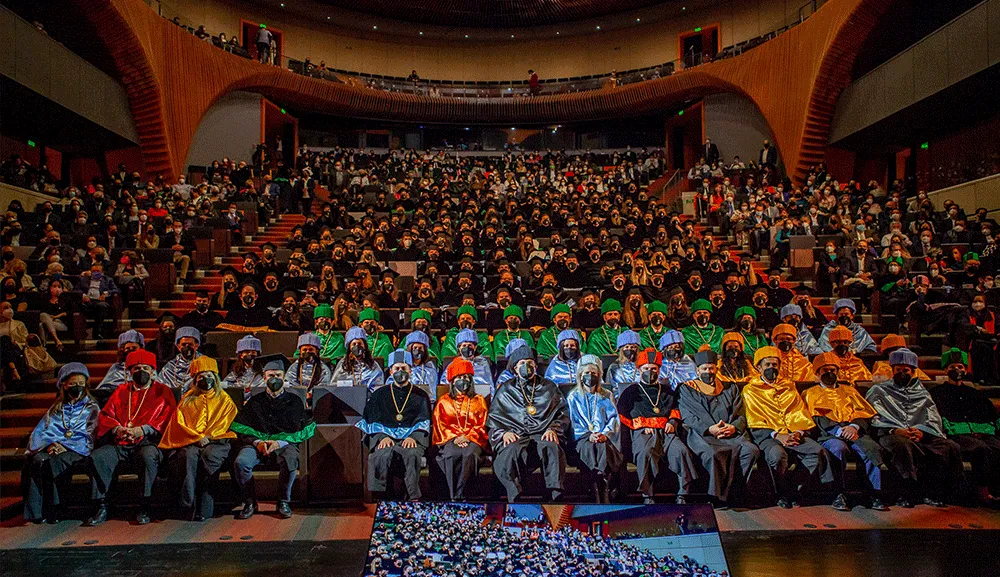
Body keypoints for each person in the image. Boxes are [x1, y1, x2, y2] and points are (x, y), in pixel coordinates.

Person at [86, 350, 176, 526]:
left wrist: (144, 429)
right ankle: (102, 505)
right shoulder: (121, 390)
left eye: (144, 368)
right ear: (129, 371)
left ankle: (145, 505)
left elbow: (168, 418)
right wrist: (116, 429)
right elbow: (106, 415)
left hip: (148, 441)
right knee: (99, 457)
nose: (140, 372)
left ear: (152, 371)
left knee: (148, 457)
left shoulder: (162, 391)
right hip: (120, 441)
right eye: (135, 368)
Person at [866, 348, 963, 508]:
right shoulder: (879, 390)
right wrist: (895, 429)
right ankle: (906, 492)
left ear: (913, 371)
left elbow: (932, 417)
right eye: (898, 370)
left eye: (906, 370)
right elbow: (873, 417)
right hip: (891, 432)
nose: (902, 373)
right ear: (892, 370)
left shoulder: (922, 393)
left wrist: (922, 432)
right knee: (903, 445)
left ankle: (935, 492)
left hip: (920, 434)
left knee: (948, 446)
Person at [743, 346, 834, 508]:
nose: (772, 368)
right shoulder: (750, 390)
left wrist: (798, 433)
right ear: (759, 367)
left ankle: (791, 488)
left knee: (817, 451)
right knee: (778, 455)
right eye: (768, 365)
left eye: (775, 365)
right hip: (767, 436)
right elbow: (754, 419)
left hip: (793, 433)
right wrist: (778, 436)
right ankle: (779, 492)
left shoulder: (789, 386)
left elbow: (800, 411)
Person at [231, 354, 315, 519]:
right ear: (264, 377)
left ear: (284, 377)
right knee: (241, 462)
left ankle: (283, 501)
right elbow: (241, 427)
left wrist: (281, 442)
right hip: (256, 445)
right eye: (271, 375)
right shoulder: (254, 402)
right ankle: (249, 502)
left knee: (290, 459)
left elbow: (304, 428)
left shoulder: (294, 401)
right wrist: (257, 442)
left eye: (278, 375)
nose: (274, 379)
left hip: (284, 444)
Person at [803, 353, 886, 511]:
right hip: (828, 433)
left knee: (870, 448)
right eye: (825, 370)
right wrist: (838, 430)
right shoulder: (810, 393)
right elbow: (813, 418)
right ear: (817, 372)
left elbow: (864, 413)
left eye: (833, 369)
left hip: (854, 431)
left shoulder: (849, 390)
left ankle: (872, 493)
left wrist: (854, 427)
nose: (830, 373)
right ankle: (837, 493)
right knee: (838, 448)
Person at [677, 351, 761, 507]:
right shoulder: (687, 389)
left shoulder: (729, 388)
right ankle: (715, 497)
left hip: (730, 434)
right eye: (704, 369)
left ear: (716, 369)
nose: (708, 372)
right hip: (702, 434)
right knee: (713, 453)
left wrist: (733, 427)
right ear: (697, 371)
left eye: (711, 368)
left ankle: (737, 492)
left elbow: (740, 412)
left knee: (751, 451)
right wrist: (710, 429)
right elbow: (688, 416)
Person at [487, 345, 569, 502]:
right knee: (511, 450)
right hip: (516, 434)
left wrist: (553, 429)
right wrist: (504, 433)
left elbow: (562, 414)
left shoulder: (549, 387)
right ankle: (514, 495)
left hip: (542, 432)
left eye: (530, 363)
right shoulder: (506, 389)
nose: (527, 366)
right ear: (515, 368)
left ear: (536, 366)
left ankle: (555, 495)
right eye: (522, 363)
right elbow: (494, 420)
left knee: (550, 445)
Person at [159, 356, 237, 521]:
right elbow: (179, 423)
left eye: (208, 375)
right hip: (191, 441)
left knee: (209, 456)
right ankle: (188, 504)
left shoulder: (224, 399)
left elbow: (226, 422)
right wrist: (196, 437)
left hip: (216, 441)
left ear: (215, 377)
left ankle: (205, 505)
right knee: (188, 457)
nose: (205, 379)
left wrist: (208, 437)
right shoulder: (188, 399)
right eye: (200, 376)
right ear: (195, 379)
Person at [617, 348, 698, 504]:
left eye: (654, 368)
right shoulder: (630, 392)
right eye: (646, 368)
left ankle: (683, 494)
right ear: (639, 369)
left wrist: (672, 422)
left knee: (681, 451)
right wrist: (640, 425)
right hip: (642, 433)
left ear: (659, 369)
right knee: (645, 452)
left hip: (666, 432)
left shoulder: (667, 390)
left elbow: (675, 410)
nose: (650, 371)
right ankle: (648, 495)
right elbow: (623, 417)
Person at [22, 363, 99, 523]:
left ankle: (56, 508)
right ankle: (36, 512)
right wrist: (50, 444)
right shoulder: (57, 407)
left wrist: (65, 445)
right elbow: (42, 430)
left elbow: (90, 434)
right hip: (53, 446)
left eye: (80, 384)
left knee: (55, 463)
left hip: (77, 449)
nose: (77, 387)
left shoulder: (91, 407)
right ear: (64, 385)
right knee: (36, 461)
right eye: (72, 384)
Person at [356, 350, 432, 501]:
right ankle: (382, 497)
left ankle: (413, 497)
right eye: (397, 369)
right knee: (380, 455)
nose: (400, 372)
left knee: (412, 454)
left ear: (410, 371)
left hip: (411, 438)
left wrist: (414, 437)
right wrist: (382, 437)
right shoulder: (379, 394)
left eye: (404, 368)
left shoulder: (421, 395)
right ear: (390, 371)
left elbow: (424, 418)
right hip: (386, 438)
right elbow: (372, 418)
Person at [930, 348, 1000, 505]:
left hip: (982, 432)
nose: (957, 370)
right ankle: (982, 491)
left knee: (997, 447)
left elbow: (991, 414)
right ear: (945, 369)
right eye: (953, 367)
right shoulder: (937, 393)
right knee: (980, 449)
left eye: (960, 367)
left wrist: (987, 429)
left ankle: (997, 491)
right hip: (956, 433)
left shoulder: (974, 393)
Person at [566, 355, 622, 503]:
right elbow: (573, 421)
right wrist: (589, 435)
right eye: (586, 373)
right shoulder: (573, 396)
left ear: (599, 375)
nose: (590, 376)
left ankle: (604, 487)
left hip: (604, 435)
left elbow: (613, 418)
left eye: (593, 373)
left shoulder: (606, 394)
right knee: (589, 448)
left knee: (603, 447)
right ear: (580, 375)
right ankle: (594, 489)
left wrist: (604, 434)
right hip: (583, 437)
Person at [431, 358, 489, 500]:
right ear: (452, 381)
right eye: (459, 377)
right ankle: (452, 495)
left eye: (465, 377)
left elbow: (483, 423)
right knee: (451, 455)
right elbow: (440, 424)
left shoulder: (479, 399)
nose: (462, 380)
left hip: (473, 439)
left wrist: (468, 436)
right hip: (450, 439)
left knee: (469, 454)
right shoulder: (444, 401)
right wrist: (455, 438)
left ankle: (462, 494)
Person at [76, 262, 118, 339]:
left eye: (98, 271)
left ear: (102, 272)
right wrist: (83, 295)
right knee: (76, 305)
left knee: (101, 306)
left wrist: (106, 293)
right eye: (93, 271)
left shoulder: (108, 280)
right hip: (87, 302)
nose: (95, 273)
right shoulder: (83, 280)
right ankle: (81, 333)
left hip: (100, 301)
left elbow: (116, 290)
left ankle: (96, 331)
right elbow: (76, 289)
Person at [394, 331, 439, 399]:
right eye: (415, 348)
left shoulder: (430, 368)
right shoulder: (402, 367)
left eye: (420, 348)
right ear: (409, 349)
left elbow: (431, 392)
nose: (417, 350)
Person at [157, 326, 203, 392]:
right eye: (184, 345)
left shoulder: (205, 363)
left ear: (196, 346)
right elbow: (160, 387)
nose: (187, 347)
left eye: (190, 344)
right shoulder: (170, 366)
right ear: (178, 346)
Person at [605, 330, 640, 398]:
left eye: (632, 347)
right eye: (626, 347)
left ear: (636, 349)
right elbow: (610, 388)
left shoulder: (641, 366)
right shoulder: (614, 367)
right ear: (622, 349)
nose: (629, 349)